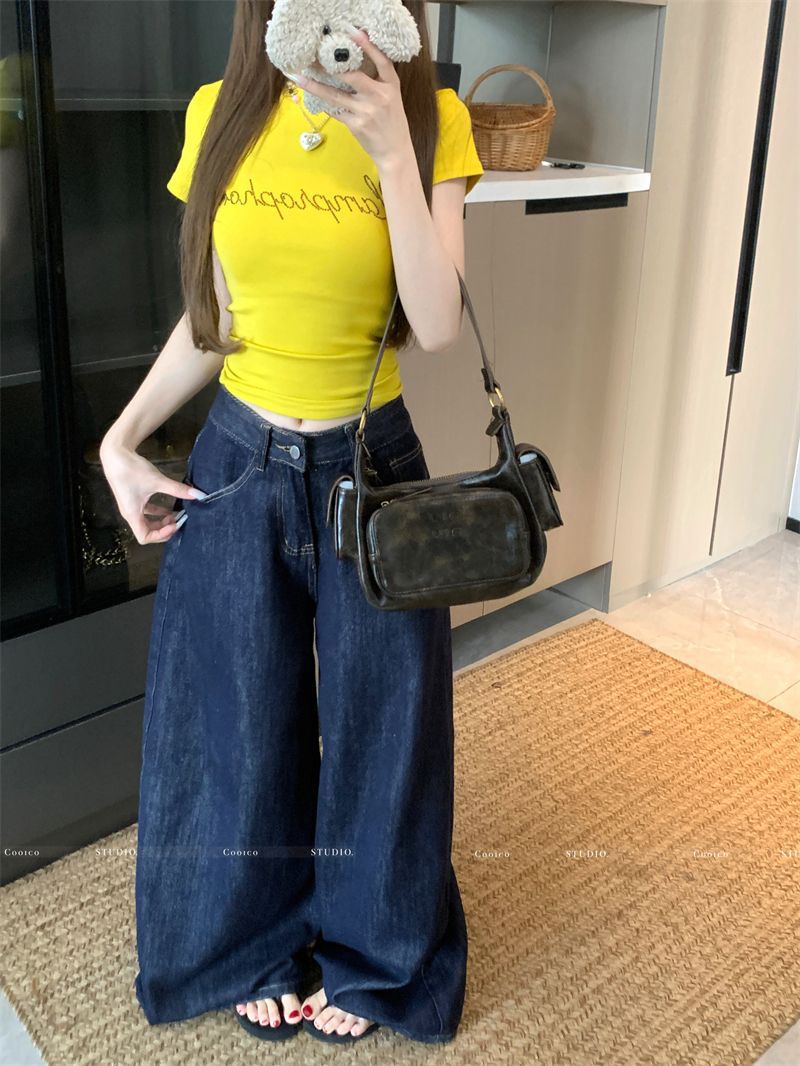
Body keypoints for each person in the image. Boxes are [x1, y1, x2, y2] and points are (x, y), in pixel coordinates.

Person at [100, 0, 483, 1047]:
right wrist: (121, 439)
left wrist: (393, 151)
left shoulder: (432, 117)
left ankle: (375, 955)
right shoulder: (218, 111)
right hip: (238, 464)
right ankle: (251, 942)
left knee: (384, 731)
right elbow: (215, 320)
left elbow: (437, 324)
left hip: (373, 464)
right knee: (234, 724)